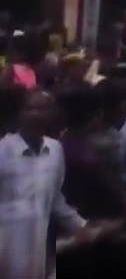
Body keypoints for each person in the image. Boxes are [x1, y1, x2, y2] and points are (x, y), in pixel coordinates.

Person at [0, 88, 92, 279]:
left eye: (45, 109)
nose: (38, 115)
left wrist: (78, 224)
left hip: (40, 258)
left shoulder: (55, 150)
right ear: (19, 114)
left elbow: (55, 200)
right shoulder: (3, 152)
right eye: (32, 108)